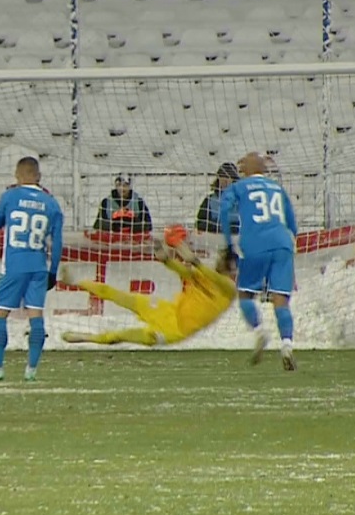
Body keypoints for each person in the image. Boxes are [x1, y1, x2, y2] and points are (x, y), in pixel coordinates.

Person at [0, 157, 64, 382]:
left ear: (17, 175)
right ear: (39, 177)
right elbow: (58, 241)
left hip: (14, 265)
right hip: (39, 267)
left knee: (0, 312)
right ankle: (31, 370)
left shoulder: (11, 196)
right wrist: (53, 271)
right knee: (35, 315)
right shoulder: (52, 203)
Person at [61, 240, 237, 346]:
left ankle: (88, 338)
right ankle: (75, 282)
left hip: (175, 330)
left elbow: (214, 278)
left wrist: (195, 261)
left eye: (221, 259)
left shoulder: (229, 288)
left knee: (119, 336)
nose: (217, 261)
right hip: (167, 311)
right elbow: (185, 272)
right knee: (120, 296)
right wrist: (166, 260)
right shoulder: (204, 275)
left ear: (230, 266)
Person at [220, 151, 298, 370]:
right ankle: (287, 345)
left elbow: (224, 210)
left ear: (244, 170)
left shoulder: (239, 187)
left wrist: (228, 244)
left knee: (245, 293)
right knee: (280, 299)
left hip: (255, 244)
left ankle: (260, 331)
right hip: (282, 243)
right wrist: (293, 242)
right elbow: (292, 222)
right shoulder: (277, 188)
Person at [195, 162, 240, 233]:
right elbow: (200, 223)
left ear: (233, 179)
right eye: (222, 176)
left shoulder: (241, 199)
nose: (225, 180)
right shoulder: (210, 200)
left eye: (228, 177)